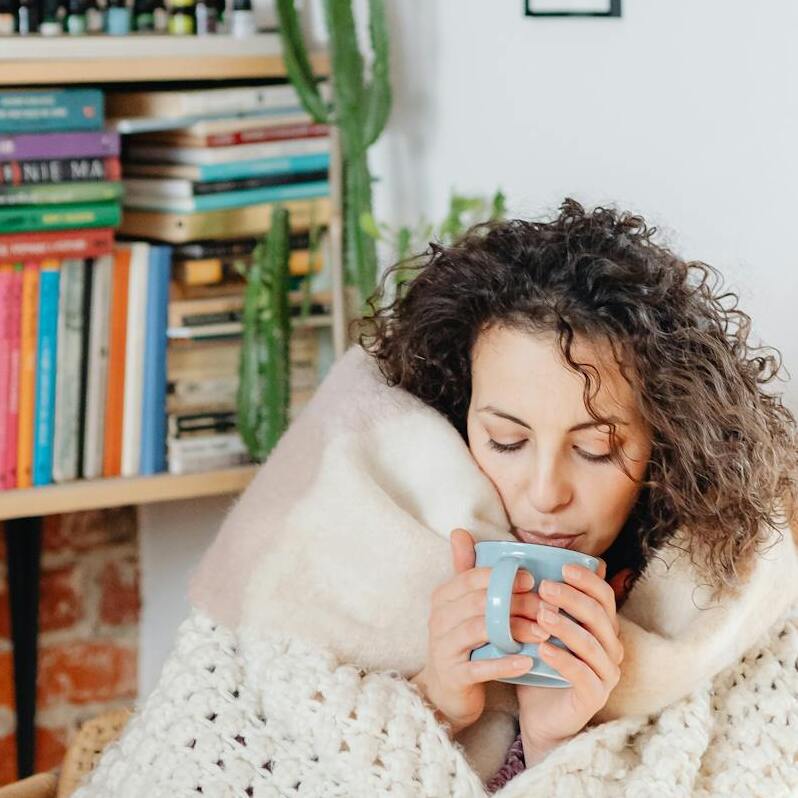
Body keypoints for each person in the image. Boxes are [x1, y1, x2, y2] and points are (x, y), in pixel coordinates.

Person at [358, 197, 798, 790]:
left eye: (595, 450)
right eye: (507, 441)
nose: (544, 495)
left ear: (666, 443)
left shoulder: (748, 608)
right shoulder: (357, 528)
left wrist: (554, 746)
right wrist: (435, 701)